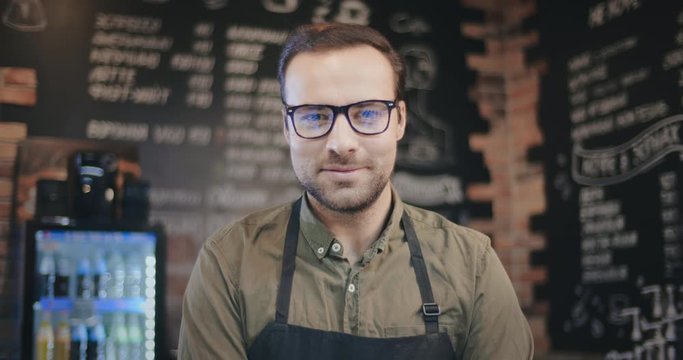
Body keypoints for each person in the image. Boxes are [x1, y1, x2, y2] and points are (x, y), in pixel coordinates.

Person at [178, 22, 534, 359]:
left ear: (399, 121)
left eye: (366, 113)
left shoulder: (471, 266)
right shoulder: (228, 264)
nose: (341, 143)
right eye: (315, 115)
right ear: (287, 128)